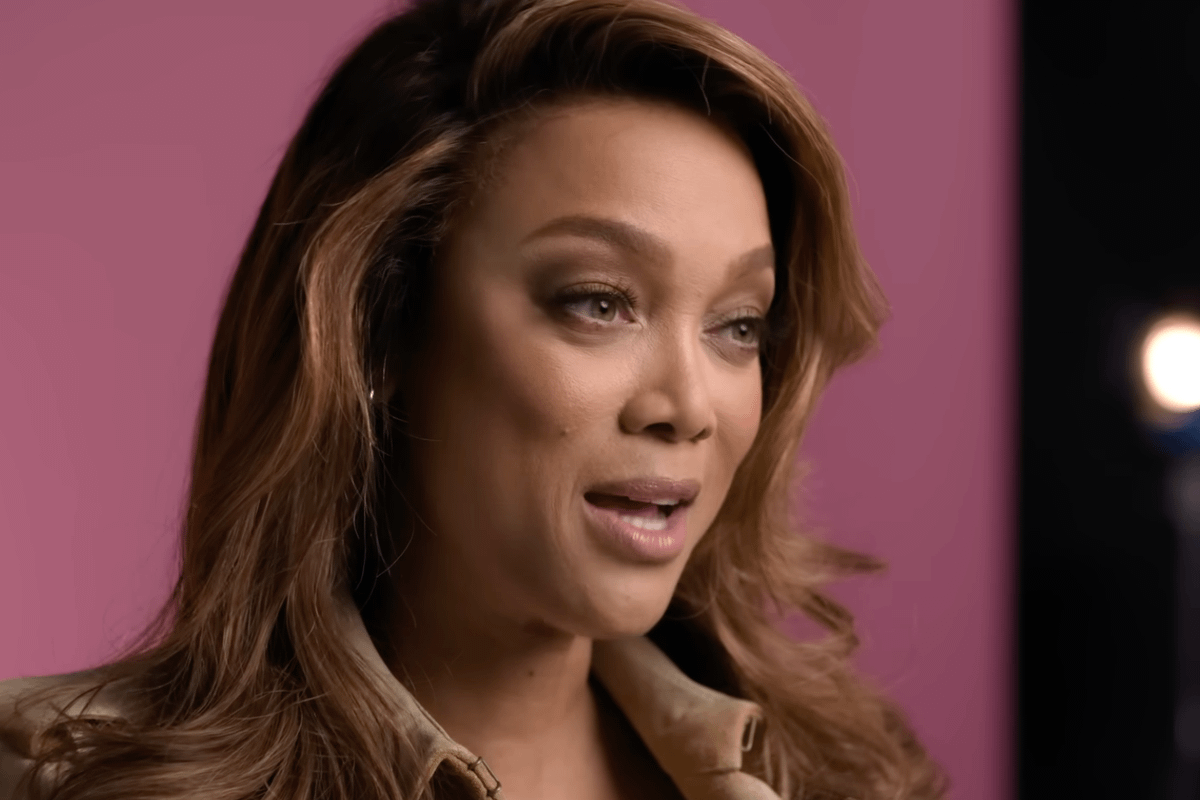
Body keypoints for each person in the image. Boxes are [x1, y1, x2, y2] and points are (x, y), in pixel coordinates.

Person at [0, 0, 948, 798]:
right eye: (599, 302)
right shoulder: (63, 776)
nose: (690, 407)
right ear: (382, 329)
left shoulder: (844, 778)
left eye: (738, 325)